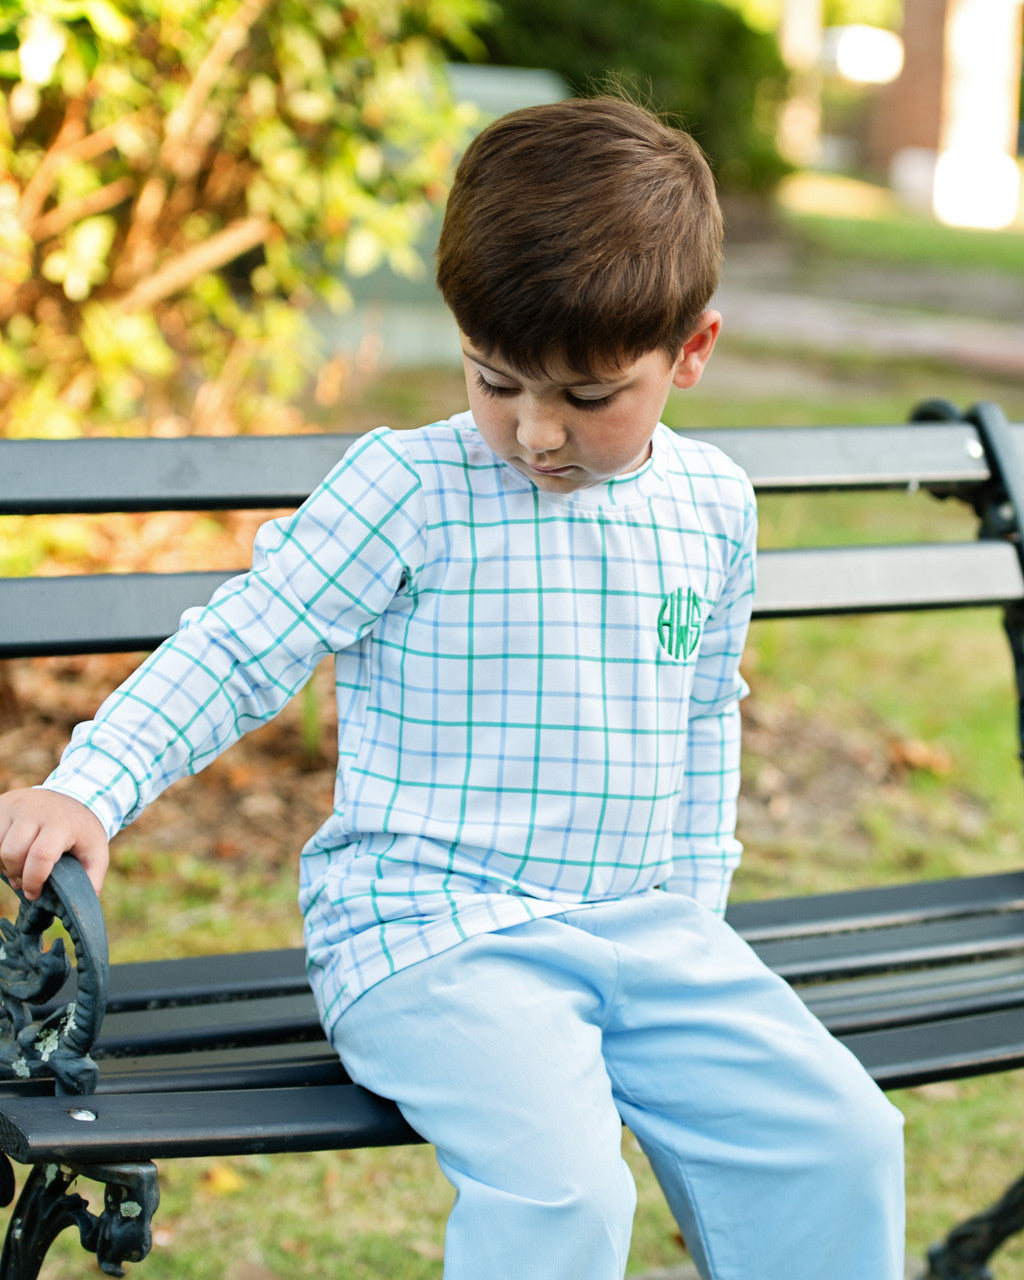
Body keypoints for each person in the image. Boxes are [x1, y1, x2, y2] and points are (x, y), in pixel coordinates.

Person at [0, 96, 904, 1279]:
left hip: (647, 927)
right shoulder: (407, 487)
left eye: (586, 398)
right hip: (433, 932)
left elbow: (699, 719)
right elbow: (242, 644)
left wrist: (696, 915)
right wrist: (90, 787)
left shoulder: (713, 506)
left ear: (690, 351)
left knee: (841, 1139)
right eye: (495, 380)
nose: (534, 432)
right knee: (564, 1190)